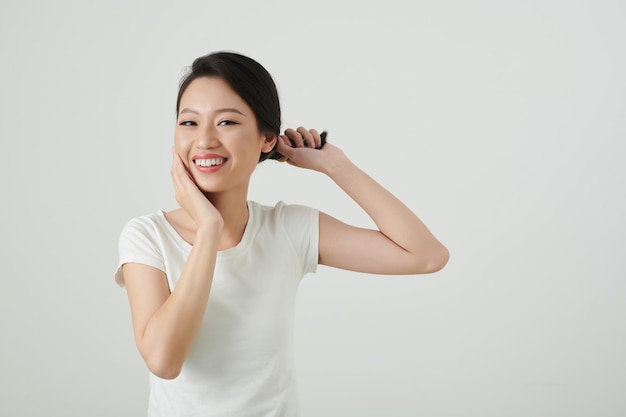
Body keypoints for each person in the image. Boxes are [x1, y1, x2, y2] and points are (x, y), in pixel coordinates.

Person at [115, 51, 449, 417]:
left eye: (226, 122)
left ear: (267, 138)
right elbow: (164, 360)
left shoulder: (286, 229)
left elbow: (426, 255)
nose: (205, 140)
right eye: (189, 123)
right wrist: (209, 229)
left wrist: (337, 166)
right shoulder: (147, 235)